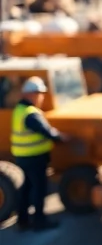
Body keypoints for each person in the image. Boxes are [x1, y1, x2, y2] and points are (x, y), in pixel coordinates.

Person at [11, 76, 70, 231]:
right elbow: (46, 131)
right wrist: (61, 138)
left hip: (23, 157)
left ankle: (23, 221)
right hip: (34, 158)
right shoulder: (31, 113)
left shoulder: (19, 110)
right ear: (30, 94)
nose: (41, 97)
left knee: (26, 189)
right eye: (39, 94)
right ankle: (39, 221)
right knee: (39, 189)